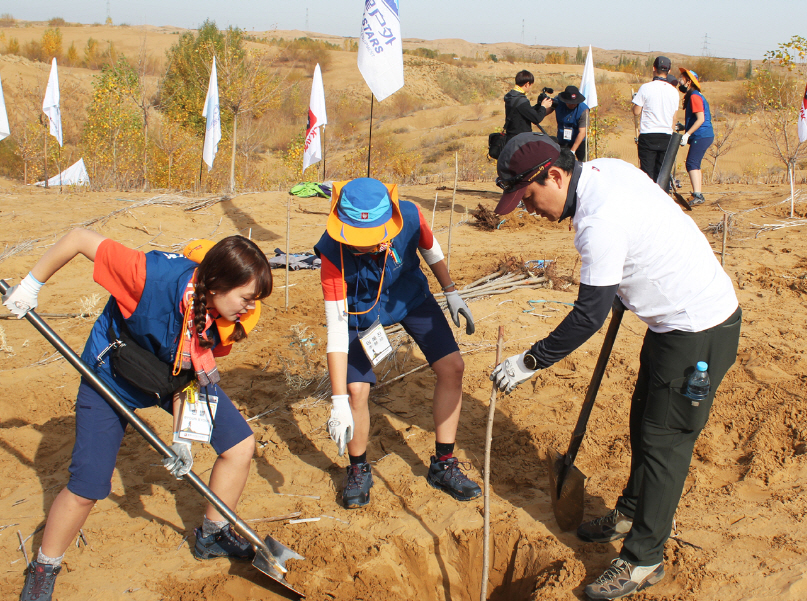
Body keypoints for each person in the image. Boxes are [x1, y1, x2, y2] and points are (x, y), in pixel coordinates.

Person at [490, 133, 741, 600]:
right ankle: (628, 511)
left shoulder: (597, 223)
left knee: (665, 444)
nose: (530, 211)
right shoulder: (606, 169)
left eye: (528, 198)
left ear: (556, 175)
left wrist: (530, 361)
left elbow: (588, 315)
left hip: (697, 328)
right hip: (671, 325)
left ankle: (644, 558)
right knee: (644, 423)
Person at [3, 231, 272, 601]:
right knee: (88, 486)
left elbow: (191, 374)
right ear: (216, 284)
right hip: (111, 377)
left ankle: (212, 536)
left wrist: (182, 438)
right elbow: (79, 239)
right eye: (246, 298)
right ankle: (44, 566)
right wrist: (31, 285)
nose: (248, 308)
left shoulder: (223, 316)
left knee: (239, 445)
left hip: (169, 378)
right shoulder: (147, 276)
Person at [315, 178, 481, 509]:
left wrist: (450, 290)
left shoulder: (410, 215)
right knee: (356, 392)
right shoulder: (333, 253)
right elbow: (335, 330)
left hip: (409, 295)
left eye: (375, 237)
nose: (368, 245)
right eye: (360, 239)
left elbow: (430, 249)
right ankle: (359, 467)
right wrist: (337, 403)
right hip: (358, 311)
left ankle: (443, 464)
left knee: (453, 367)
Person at [632, 56, 680, 181]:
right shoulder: (674, 92)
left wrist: (635, 102)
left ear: (654, 68)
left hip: (648, 135)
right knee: (662, 175)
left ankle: (648, 199)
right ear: (668, 71)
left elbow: (636, 112)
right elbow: (674, 118)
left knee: (647, 175)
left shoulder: (645, 87)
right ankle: (662, 198)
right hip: (666, 135)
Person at [678, 68, 714, 206]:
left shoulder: (694, 96)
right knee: (695, 164)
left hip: (702, 135)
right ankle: (697, 193)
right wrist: (683, 127)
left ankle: (698, 195)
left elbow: (700, 119)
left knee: (691, 163)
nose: (679, 80)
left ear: (689, 81)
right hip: (704, 134)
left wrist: (687, 134)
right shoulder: (694, 95)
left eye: (682, 78)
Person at [543, 85, 589, 161]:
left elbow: (582, 132)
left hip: (579, 141)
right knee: (562, 163)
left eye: (575, 102)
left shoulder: (584, 110)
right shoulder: (558, 102)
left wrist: (573, 151)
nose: (573, 104)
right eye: (570, 103)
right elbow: (545, 112)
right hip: (562, 140)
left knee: (583, 164)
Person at [504, 69, 550, 142]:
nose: (530, 87)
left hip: (511, 138)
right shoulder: (521, 100)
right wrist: (543, 106)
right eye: (531, 85)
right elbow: (537, 119)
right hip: (520, 140)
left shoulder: (511, 96)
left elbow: (525, 111)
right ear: (527, 84)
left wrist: (538, 105)